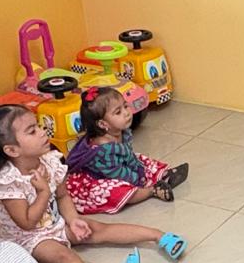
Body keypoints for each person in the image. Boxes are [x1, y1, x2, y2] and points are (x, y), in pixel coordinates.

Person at [0, 105, 185, 263]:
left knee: (97, 228)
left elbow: (62, 196)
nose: (43, 132)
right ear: (12, 150)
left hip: (54, 223)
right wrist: (43, 192)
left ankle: (159, 236)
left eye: (39, 126)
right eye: (32, 131)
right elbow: (26, 223)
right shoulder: (8, 181)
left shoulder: (49, 161)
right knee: (64, 257)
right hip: (27, 241)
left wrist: (73, 220)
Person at [65, 85, 189, 215]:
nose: (126, 112)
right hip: (100, 179)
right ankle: (152, 190)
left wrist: (139, 169)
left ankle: (164, 175)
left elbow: (129, 156)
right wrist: (139, 179)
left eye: (125, 106)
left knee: (141, 159)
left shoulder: (121, 131)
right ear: (102, 124)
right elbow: (117, 174)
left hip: (120, 167)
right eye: (118, 112)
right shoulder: (102, 150)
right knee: (115, 191)